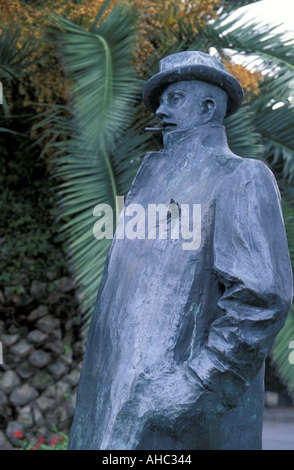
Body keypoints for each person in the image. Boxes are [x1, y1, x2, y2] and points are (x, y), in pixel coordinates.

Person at [69, 51, 293, 450]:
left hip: (178, 414)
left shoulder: (240, 176)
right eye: (160, 99)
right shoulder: (149, 182)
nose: (160, 109)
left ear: (209, 106)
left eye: (174, 98)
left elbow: (260, 298)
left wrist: (196, 385)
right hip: (116, 404)